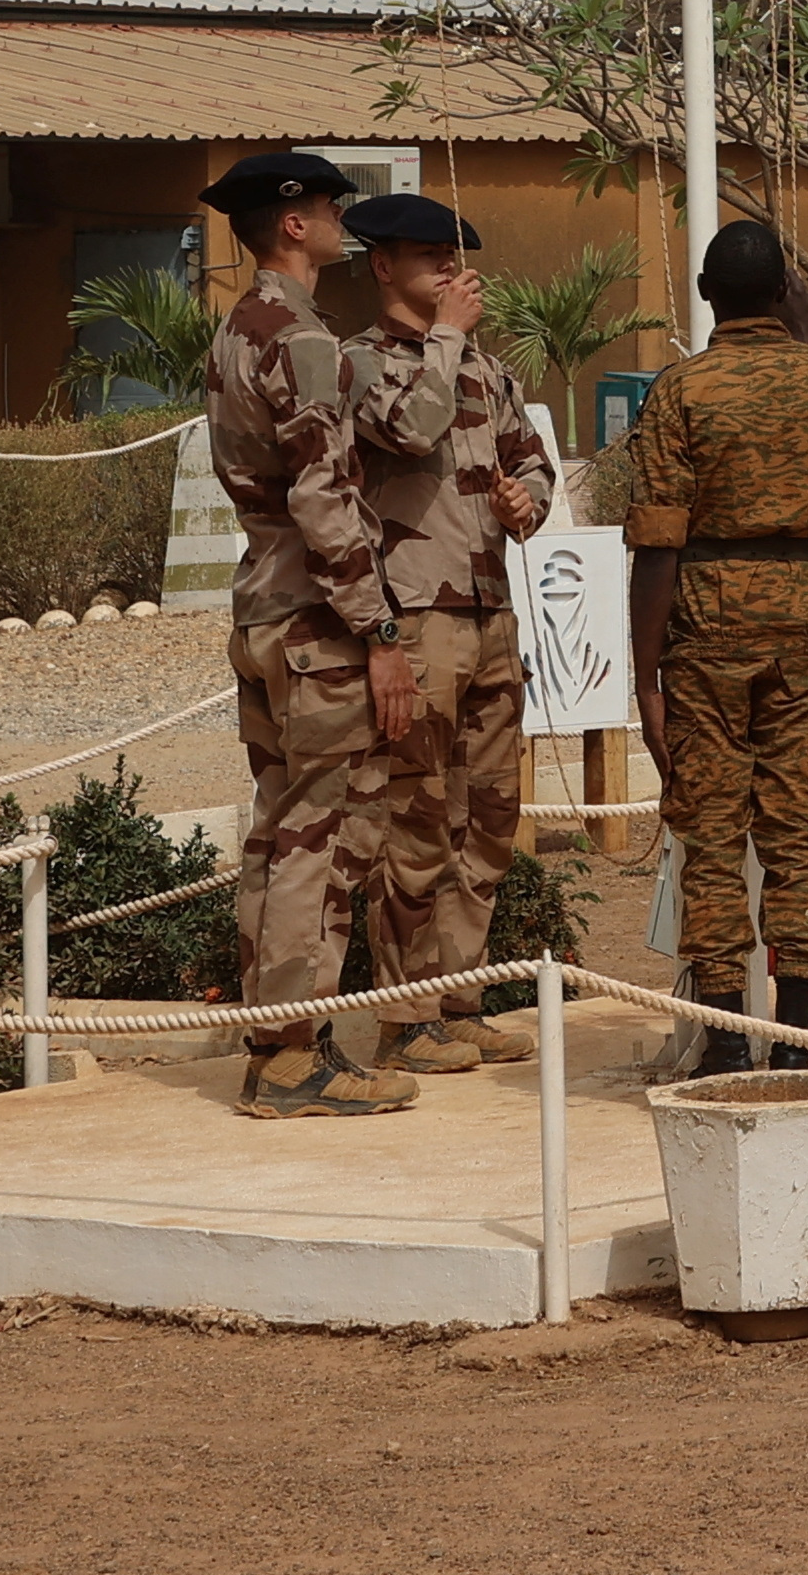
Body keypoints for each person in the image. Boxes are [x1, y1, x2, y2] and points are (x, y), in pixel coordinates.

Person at [620, 217, 808, 1070]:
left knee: (710, 833)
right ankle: (797, 1040)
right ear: (783, 292)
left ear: (706, 294)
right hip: (806, 612)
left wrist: (647, 679)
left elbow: (656, 544)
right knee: (798, 830)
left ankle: (729, 1041)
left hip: (706, 615)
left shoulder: (680, 393)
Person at [198, 147, 415, 1121]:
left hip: (262, 603)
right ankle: (291, 1058)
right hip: (316, 619)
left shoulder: (236, 330)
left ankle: (280, 1044)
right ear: (294, 222)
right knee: (319, 841)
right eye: (331, 207)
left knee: (277, 832)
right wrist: (379, 631)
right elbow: (325, 496)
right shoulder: (302, 337)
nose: (341, 222)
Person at [335, 191, 558, 1074]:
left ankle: (459, 999)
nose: (448, 269)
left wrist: (524, 500)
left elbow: (532, 458)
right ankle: (405, 1016)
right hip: (415, 616)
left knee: (489, 817)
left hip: (489, 610)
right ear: (383, 265)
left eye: (453, 256)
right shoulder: (360, 363)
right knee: (416, 819)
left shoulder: (484, 369)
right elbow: (410, 426)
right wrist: (447, 339)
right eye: (430, 256)